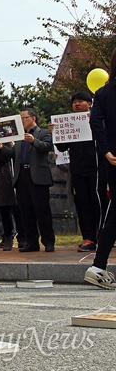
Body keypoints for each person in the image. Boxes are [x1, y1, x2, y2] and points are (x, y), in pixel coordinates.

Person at [54, 91, 108, 253]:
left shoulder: (97, 120)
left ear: (89, 103)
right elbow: (63, 147)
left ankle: (103, 235)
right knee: (83, 204)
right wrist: (57, 133)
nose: (76, 104)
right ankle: (88, 237)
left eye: (80, 101)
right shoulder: (70, 123)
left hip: (96, 168)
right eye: (74, 102)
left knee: (98, 203)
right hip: (78, 170)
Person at [0, 108, 55, 252]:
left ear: (33, 118)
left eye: (24, 118)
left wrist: (34, 141)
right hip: (22, 176)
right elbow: (12, 154)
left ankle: (48, 241)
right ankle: (32, 242)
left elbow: (48, 147)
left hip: (38, 177)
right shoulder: (19, 137)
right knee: (26, 211)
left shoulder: (43, 133)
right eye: (21, 118)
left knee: (42, 211)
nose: (22, 121)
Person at [84, 50, 116, 289]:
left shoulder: (103, 93)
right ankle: (98, 265)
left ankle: (98, 265)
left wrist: (105, 151)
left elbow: (95, 121)